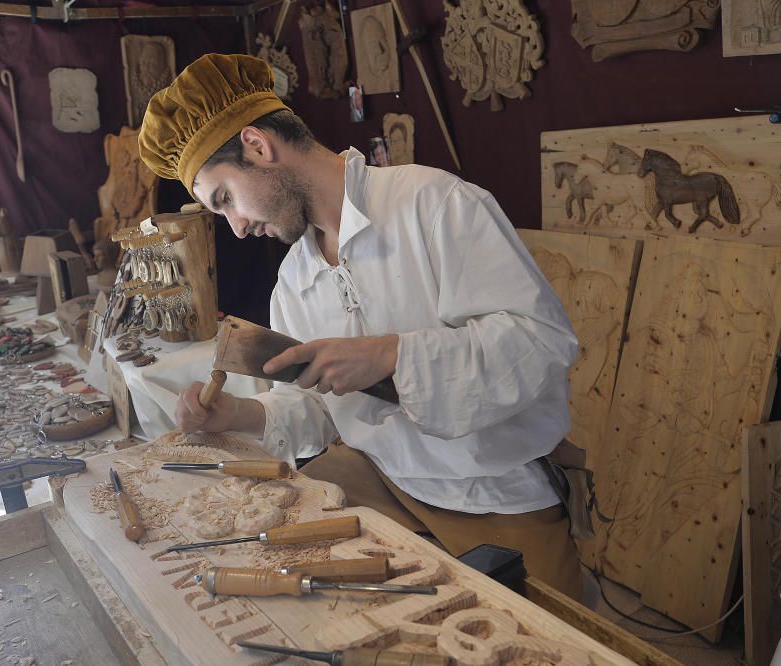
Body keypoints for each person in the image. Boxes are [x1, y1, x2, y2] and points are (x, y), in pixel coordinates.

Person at [138, 54, 583, 599]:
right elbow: (323, 407)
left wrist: (392, 356)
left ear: (257, 145)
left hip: (493, 492)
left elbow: (541, 342)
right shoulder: (294, 278)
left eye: (226, 199)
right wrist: (240, 414)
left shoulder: (433, 203)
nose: (237, 227)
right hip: (381, 482)